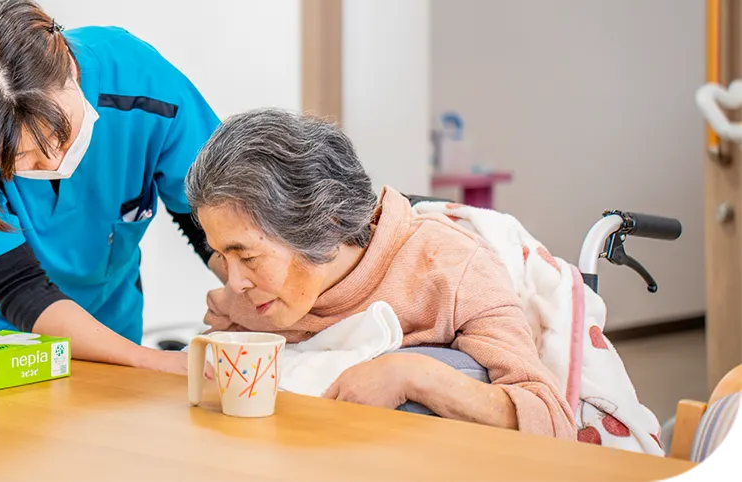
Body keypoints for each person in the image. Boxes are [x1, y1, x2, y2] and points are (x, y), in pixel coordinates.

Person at [184, 108, 577, 438]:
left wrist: (414, 375)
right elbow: (197, 374)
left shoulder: (451, 271)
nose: (233, 282)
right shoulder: (244, 302)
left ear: (325, 222)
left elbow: (552, 422)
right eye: (222, 257)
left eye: (248, 257)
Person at [0, 0, 224, 375]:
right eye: (23, 159)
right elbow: (18, 287)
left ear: (69, 65)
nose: (54, 162)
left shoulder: (145, 86)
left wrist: (254, 295)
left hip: (107, 332)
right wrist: (155, 361)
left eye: (61, 133)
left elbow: (214, 220)